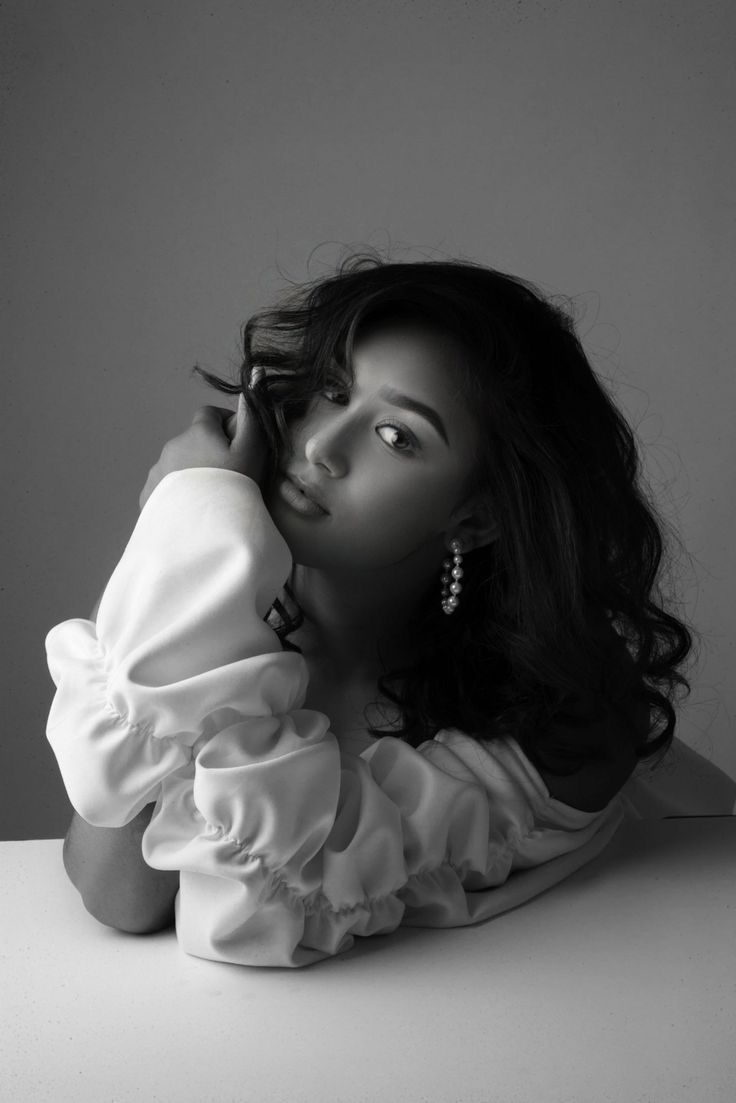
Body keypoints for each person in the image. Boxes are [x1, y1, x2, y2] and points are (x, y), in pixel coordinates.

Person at [47, 252, 700, 968]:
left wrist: (192, 533)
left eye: (397, 435)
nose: (321, 447)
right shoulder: (231, 616)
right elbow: (118, 891)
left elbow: (264, 906)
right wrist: (189, 536)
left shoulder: (565, 712)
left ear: (476, 516)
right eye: (331, 391)